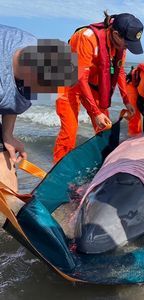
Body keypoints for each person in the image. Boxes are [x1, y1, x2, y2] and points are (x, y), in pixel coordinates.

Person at [0, 24, 77, 212]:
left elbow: (14, 99)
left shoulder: (31, 45)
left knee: (8, 189)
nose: (47, 96)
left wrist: (7, 135)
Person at [53, 12, 144, 163]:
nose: (128, 47)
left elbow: (120, 71)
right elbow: (80, 77)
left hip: (92, 85)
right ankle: (58, 170)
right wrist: (95, 112)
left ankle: (104, 163)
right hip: (69, 83)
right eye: (127, 43)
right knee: (69, 131)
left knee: (105, 126)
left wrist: (126, 101)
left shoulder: (121, 46)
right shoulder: (87, 38)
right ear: (116, 34)